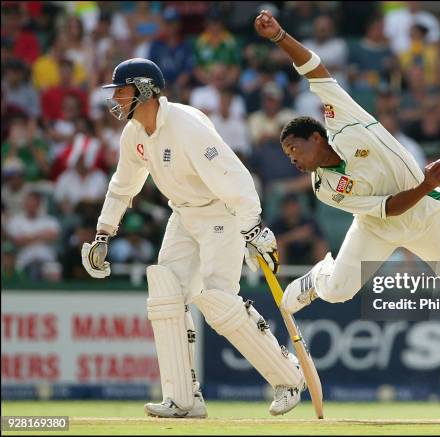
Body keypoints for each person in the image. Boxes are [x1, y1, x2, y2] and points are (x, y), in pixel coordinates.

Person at [254, 10, 440, 400]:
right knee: (338, 289)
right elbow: (388, 210)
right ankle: (321, 276)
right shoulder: (323, 187)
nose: (292, 158)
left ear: (316, 137)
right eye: (286, 153)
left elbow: (312, 66)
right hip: (380, 222)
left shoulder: (342, 115)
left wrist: (279, 36)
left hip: (429, 218)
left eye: (294, 148)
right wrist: (425, 183)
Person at [80, 58, 305, 418]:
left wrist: (254, 228)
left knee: (218, 302)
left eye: (122, 91)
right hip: (184, 214)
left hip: (221, 212)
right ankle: (184, 399)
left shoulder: (186, 127)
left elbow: (235, 176)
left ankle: (289, 377)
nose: (117, 99)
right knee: (166, 293)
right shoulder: (135, 133)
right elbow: (123, 186)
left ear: (144, 90)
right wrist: (103, 233)